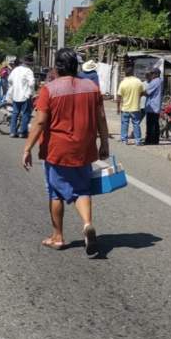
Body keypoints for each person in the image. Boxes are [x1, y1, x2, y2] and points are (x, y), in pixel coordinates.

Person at [22, 48, 110, 256]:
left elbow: (41, 121)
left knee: (55, 193)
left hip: (57, 150)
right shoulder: (92, 87)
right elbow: (101, 118)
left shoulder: (49, 89)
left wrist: (27, 147)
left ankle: (58, 236)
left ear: (57, 67)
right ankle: (87, 223)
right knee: (82, 189)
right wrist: (104, 143)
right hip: (84, 149)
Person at [117, 65, 145, 145]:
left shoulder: (123, 83)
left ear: (125, 73)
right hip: (135, 108)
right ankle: (138, 141)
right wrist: (138, 95)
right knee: (136, 124)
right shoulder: (138, 82)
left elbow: (119, 96)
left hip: (125, 108)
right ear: (133, 73)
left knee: (124, 124)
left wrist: (118, 108)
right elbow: (143, 92)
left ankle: (124, 140)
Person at [8, 56, 36, 138]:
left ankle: (12, 132)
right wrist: (31, 93)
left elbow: (9, 80)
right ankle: (22, 132)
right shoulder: (28, 71)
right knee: (25, 114)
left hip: (16, 95)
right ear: (29, 64)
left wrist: (13, 88)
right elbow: (31, 83)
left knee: (15, 113)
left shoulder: (15, 70)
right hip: (25, 95)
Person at [144, 68, 163, 145]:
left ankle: (149, 140)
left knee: (150, 124)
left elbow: (147, 92)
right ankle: (155, 140)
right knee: (155, 124)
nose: (151, 75)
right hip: (156, 105)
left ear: (155, 74)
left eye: (152, 74)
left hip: (152, 106)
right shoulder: (160, 81)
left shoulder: (155, 82)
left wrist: (140, 92)